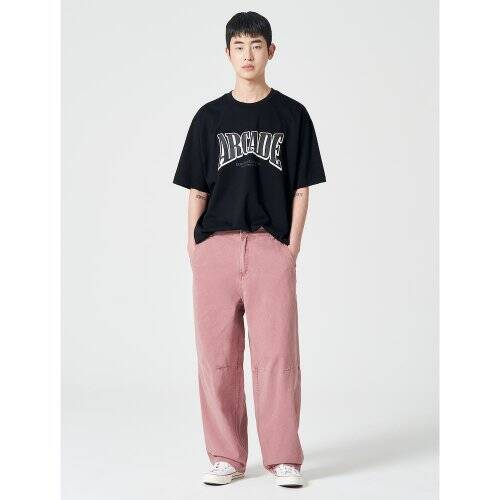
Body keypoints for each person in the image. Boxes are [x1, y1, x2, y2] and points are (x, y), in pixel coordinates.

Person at [172, 11, 326, 488]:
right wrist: (194, 249)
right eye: (239, 46)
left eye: (256, 45)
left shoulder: (292, 115)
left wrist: (291, 247)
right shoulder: (209, 117)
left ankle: (283, 457)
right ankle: (226, 456)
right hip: (215, 249)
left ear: (271, 52)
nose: (247, 54)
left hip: (269, 247)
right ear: (227, 53)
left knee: (277, 357)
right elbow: (196, 189)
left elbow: (301, 187)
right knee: (215, 358)